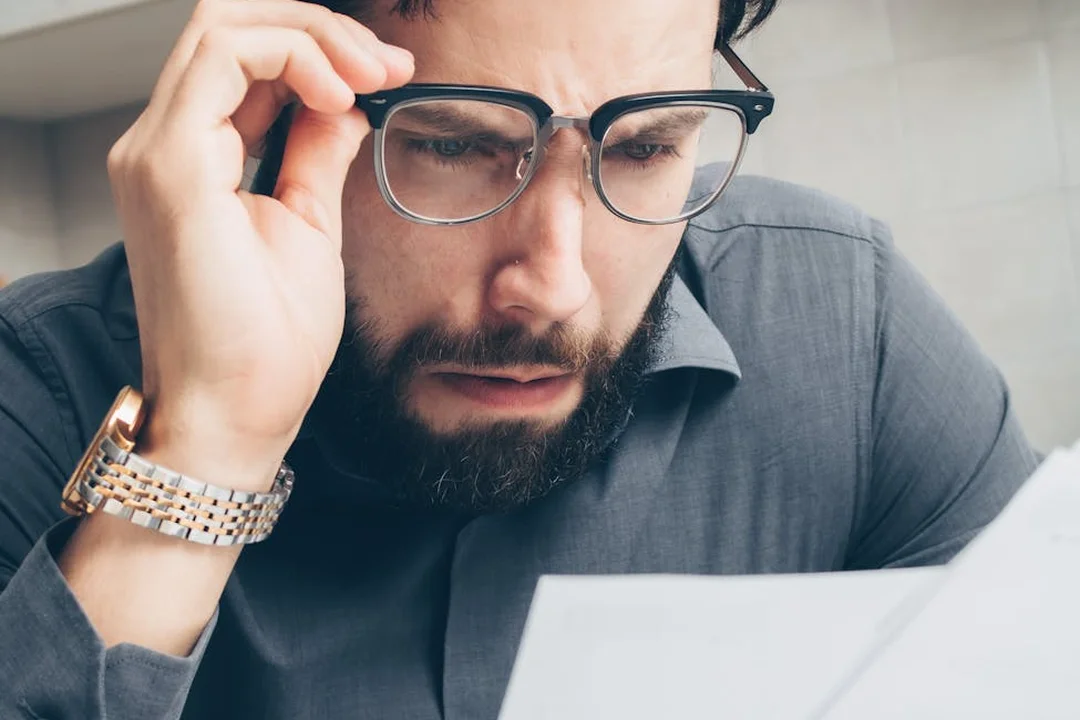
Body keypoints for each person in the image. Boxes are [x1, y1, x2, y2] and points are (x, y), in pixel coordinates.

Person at [0, 0, 1037, 717]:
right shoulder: (39, 392)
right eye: (452, 145)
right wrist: (207, 446)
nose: (554, 287)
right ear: (274, 108)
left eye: (645, 148)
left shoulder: (844, 322)